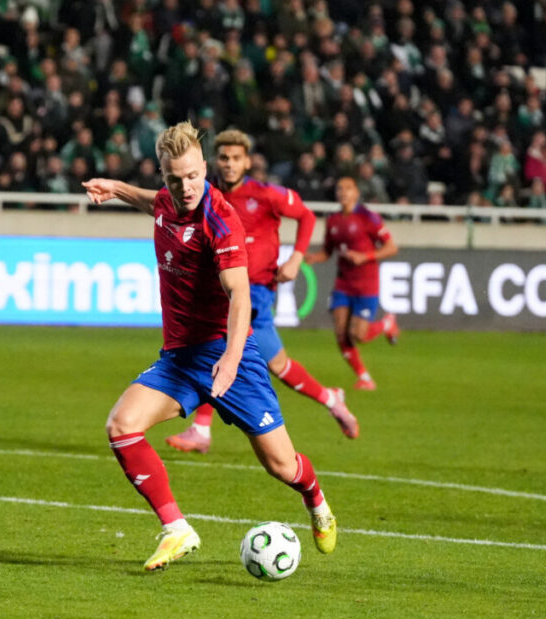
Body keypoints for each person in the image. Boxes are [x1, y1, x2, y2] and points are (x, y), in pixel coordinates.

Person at [82, 122, 337, 572]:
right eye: (174, 178)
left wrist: (232, 360)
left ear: (205, 169)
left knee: (281, 466)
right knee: (121, 425)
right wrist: (117, 187)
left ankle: (316, 499)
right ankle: (177, 529)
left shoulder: (220, 220)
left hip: (229, 356)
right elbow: (152, 202)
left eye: (193, 176)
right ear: (164, 174)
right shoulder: (166, 201)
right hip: (179, 361)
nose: (185, 187)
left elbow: (240, 295)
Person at [167, 129, 358, 455]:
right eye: (224, 158)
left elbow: (307, 215)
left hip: (254, 292)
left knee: (219, 345)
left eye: (236, 158)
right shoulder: (207, 196)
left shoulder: (266, 194)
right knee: (278, 364)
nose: (229, 165)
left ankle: (201, 429)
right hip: (221, 291)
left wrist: (296, 258)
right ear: (215, 160)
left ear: (247, 161)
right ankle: (330, 398)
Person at [305, 176, 399, 390]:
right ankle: (364, 377)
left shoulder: (369, 217)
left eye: (348, 188)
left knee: (358, 335)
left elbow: (391, 247)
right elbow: (328, 251)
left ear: (356, 192)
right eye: (340, 188)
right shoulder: (333, 220)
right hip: (343, 284)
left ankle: (386, 324)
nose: (343, 192)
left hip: (366, 284)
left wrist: (364, 257)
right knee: (340, 332)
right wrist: (313, 257)